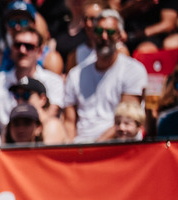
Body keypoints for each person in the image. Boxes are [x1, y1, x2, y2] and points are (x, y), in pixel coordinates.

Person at [63, 9, 147, 141]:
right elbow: (69, 121)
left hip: (118, 142)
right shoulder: (75, 75)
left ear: (120, 36)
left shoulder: (133, 70)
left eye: (110, 32)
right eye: (98, 31)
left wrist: (95, 146)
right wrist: (70, 147)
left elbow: (128, 117)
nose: (104, 37)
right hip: (80, 145)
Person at [0, 24, 64, 128]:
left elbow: (50, 119)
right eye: (17, 45)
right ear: (11, 49)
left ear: (40, 52)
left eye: (29, 46)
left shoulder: (53, 81)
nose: (22, 50)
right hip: (5, 136)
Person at [7, 76, 68, 143]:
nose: (20, 101)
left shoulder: (51, 125)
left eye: (26, 95)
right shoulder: (14, 125)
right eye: (17, 95)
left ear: (42, 99)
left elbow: (47, 150)